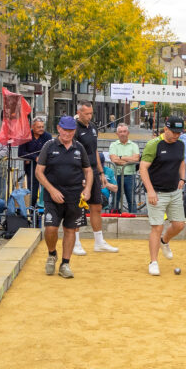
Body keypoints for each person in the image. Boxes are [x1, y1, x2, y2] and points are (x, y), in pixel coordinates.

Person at [35, 115, 93, 278]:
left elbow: (88, 170)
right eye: (65, 130)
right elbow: (39, 172)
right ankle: (52, 253)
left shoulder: (79, 148)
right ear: (59, 129)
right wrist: (52, 190)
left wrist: (87, 189)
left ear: (74, 131)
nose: (67, 133)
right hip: (52, 195)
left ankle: (65, 264)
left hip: (74, 195)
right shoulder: (49, 146)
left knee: (70, 230)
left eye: (71, 130)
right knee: (51, 228)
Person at [139, 116, 186, 277]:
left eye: (179, 133)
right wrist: (150, 191)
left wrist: (182, 178)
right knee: (157, 227)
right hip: (157, 193)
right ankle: (153, 262)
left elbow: (181, 161)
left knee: (179, 225)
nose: (176, 135)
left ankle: (164, 242)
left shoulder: (180, 144)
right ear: (165, 129)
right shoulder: (154, 145)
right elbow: (143, 168)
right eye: (174, 132)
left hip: (174, 191)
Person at [73, 103, 119, 255]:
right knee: (78, 208)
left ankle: (99, 242)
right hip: (80, 172)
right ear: (79, 112)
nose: (90, 116)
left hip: (94, 171)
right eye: (87, 114)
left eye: (91, 113)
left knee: (97, 206)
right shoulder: (74, 129)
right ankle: (76, 242)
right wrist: (80, 175)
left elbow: (94, 150)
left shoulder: (93, 127)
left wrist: (101, 172)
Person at [107, 123, 141, 214]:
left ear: (128, 133)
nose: (122, 134)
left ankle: (133, 219)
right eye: (120, 132)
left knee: (132, 200)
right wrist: (128, 161)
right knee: (115, 200)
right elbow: (114, 159)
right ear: (117, 134)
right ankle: (113, 219)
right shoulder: (113, 145)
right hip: (116, 175)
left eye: (124, 131)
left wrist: (121, 157)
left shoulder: (134, 145)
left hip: (130, 175)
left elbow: (136, 159)